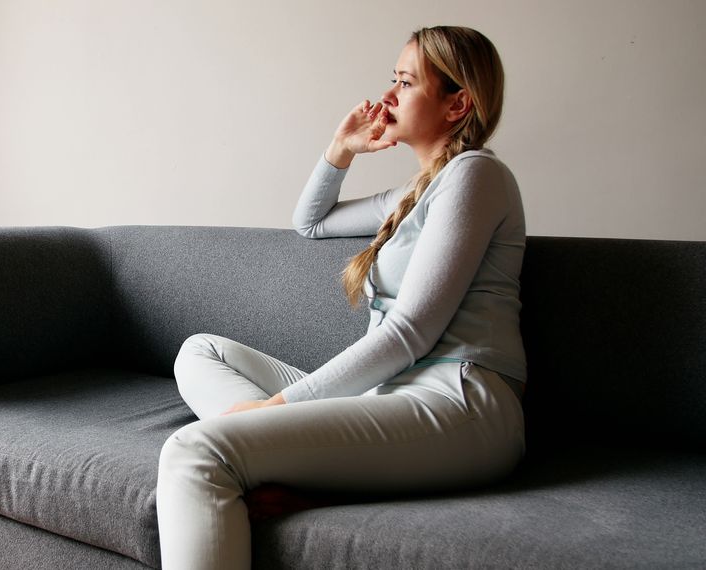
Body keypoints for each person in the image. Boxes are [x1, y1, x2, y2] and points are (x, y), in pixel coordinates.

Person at [156, 26, 527, 570]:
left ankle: (259, 456)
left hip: (459, 403)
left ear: (458, 103)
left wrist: (272, 410)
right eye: (392, 79)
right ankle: (283, 465)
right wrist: (342, 148)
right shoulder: (415, 191)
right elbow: (310, 223)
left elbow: (410, 333)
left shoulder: (476, 176)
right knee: (200, 351)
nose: (389, 96)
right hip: (388, 394)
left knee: (194, 450)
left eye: (406, 82)